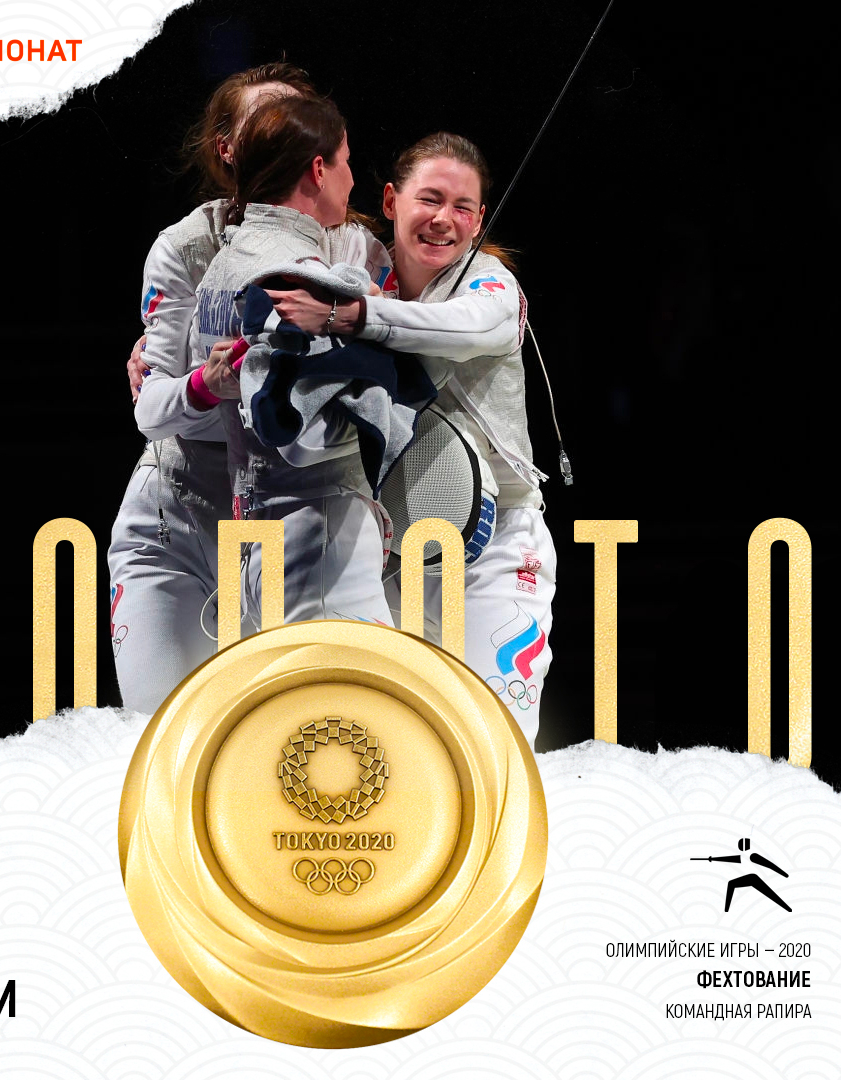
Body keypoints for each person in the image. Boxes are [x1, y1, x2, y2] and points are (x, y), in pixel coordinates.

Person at [108, 66, 393, 714]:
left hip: (285, 527)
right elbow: (158, 410)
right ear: (229, 147)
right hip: (180, 522)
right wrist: (204, 385)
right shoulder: (184, 247)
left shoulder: (353, 246)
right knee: (167, 738)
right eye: (268, 123)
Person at [261, 133, 555, 748]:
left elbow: (460, 328)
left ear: (479, 220)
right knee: (393, 749)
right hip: (392, 552)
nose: (444, 218)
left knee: (493, 746)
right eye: (430, 199)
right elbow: (267, 302)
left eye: (463, 206)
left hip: (498, 551)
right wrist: (169, 357)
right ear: (392, 201)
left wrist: (352, 318)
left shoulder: (490, 287)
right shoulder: (358, 269)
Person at [192, 94, 397, 629]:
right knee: (354, 688)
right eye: (346, 161)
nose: (352, 178)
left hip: (256, 539)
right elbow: (303, 433)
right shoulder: (300, 276)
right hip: (320, 536)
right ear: (318, 170)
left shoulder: (221, 266)